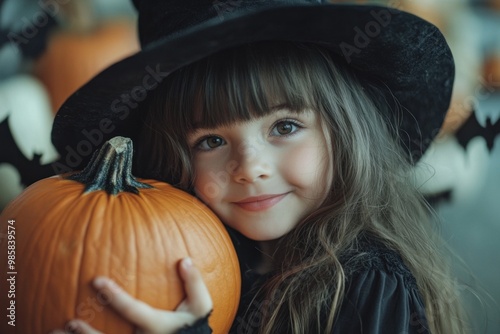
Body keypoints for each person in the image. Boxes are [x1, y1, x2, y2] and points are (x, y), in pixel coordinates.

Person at [49, 1, 469, 333]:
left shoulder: (365, 285)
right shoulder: (195, 262)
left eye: (284, 126)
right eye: (210, 141)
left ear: (345, 130)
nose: (249, 168)